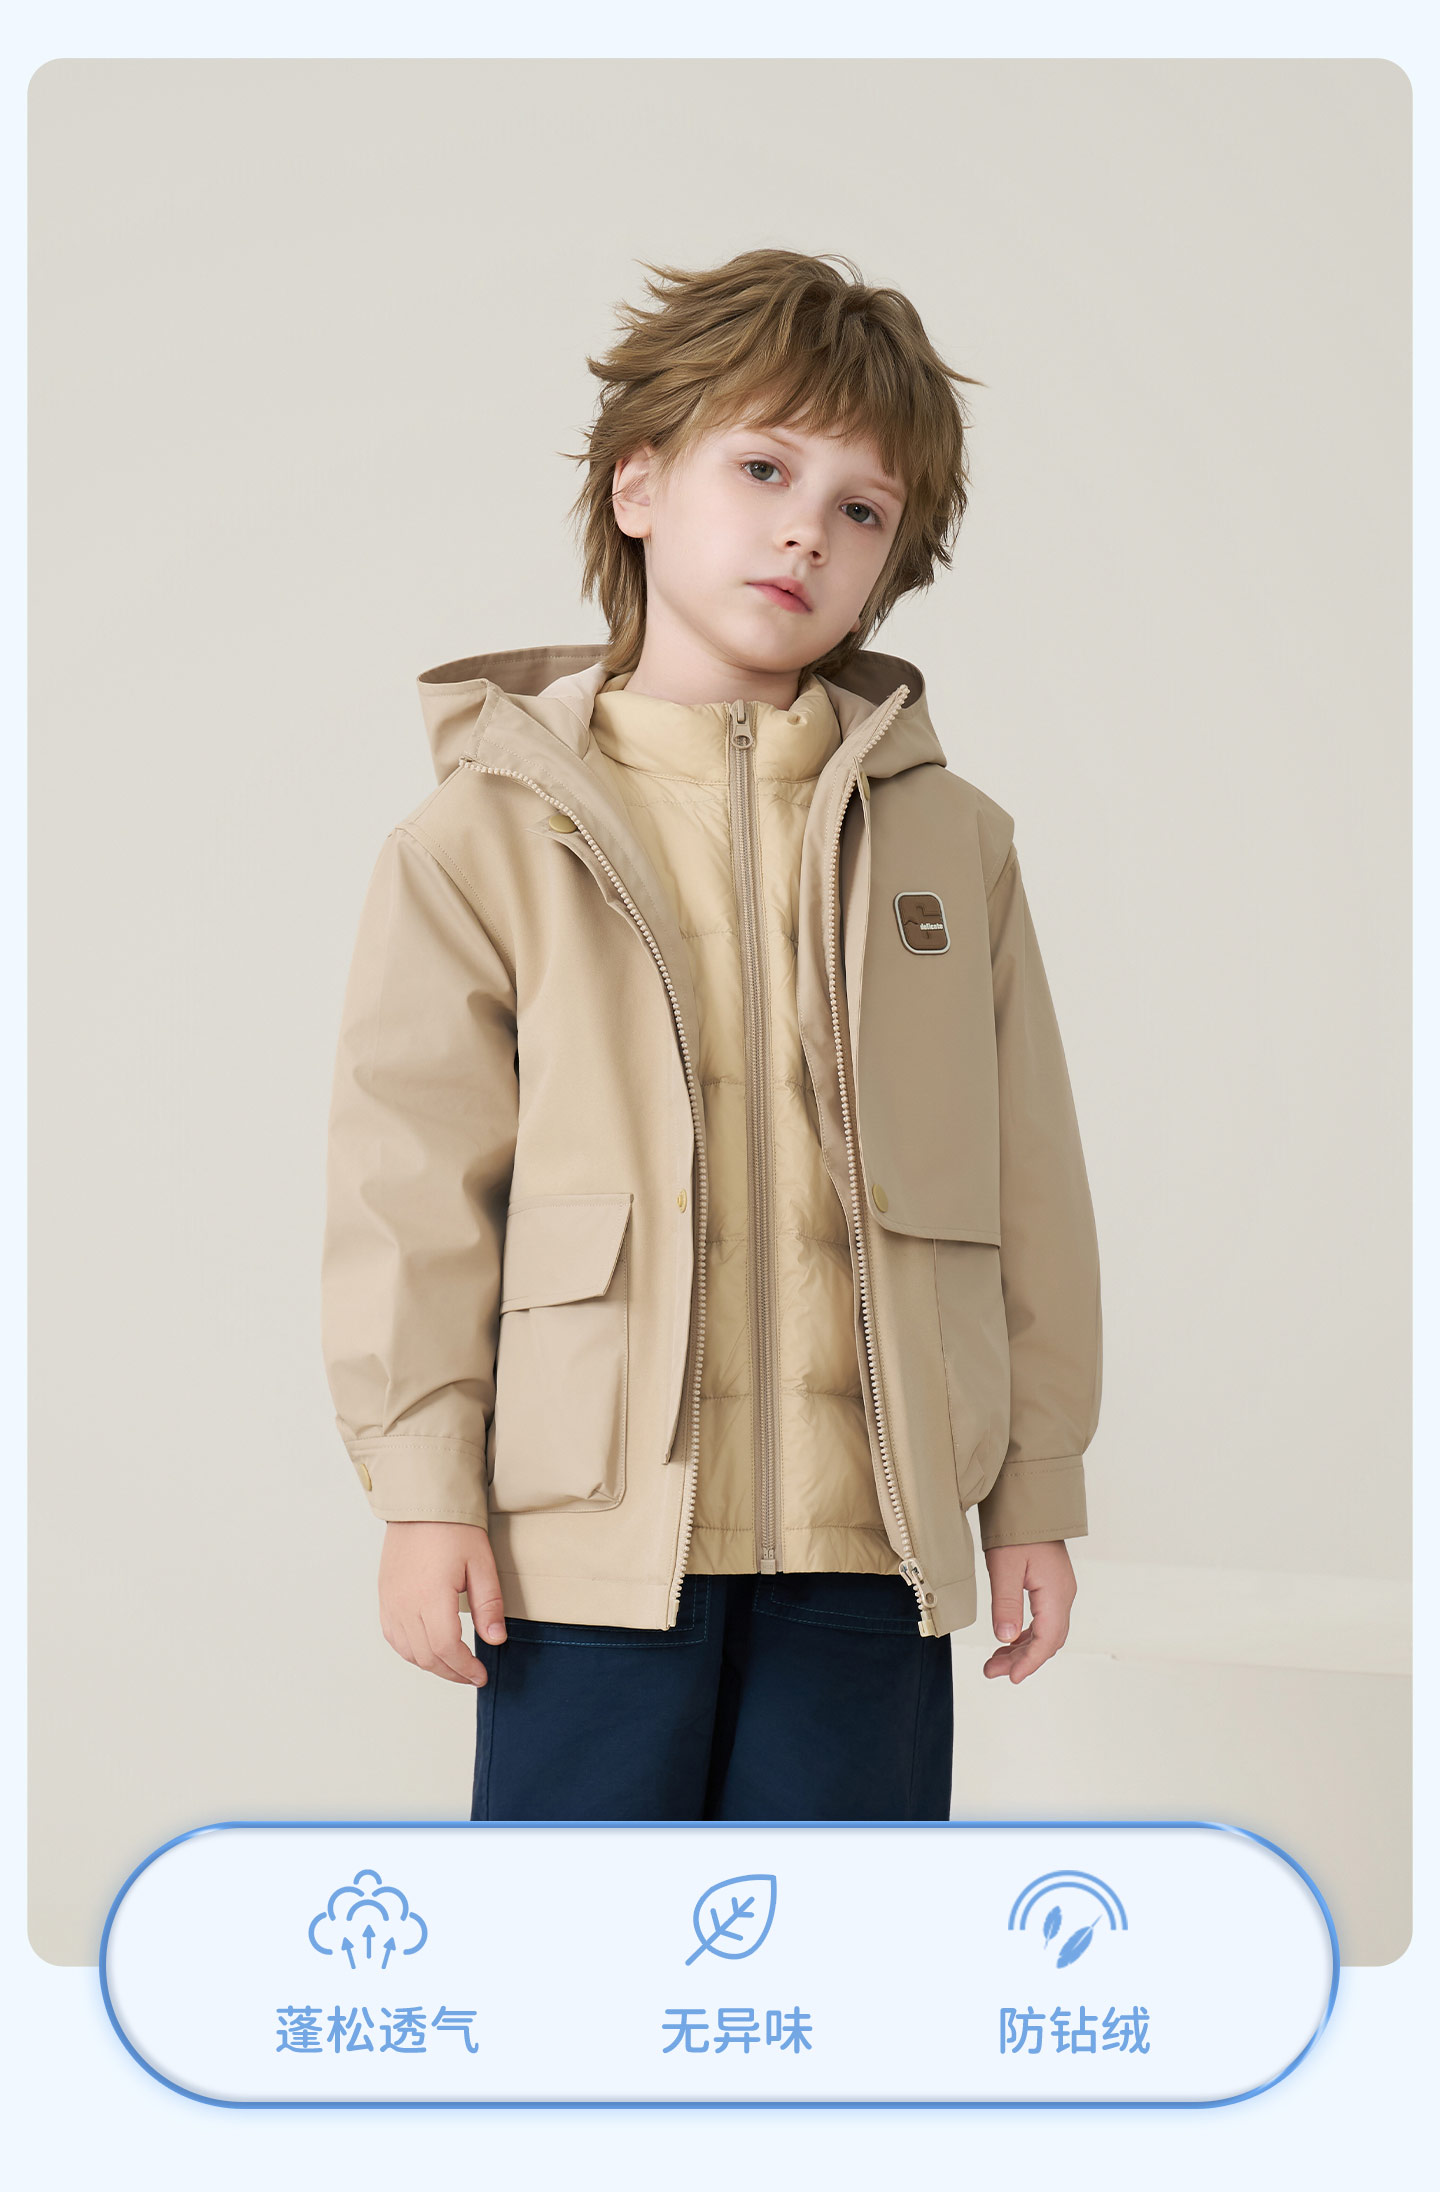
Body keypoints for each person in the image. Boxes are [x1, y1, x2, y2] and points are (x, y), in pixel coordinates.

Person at [321, 248, 1102, 1823]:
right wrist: (423, 1490)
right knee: (574, 1952)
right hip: (590, 1548)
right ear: (638, 488)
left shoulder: (955, 844)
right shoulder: (484, 836)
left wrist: (1035, 1489)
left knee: (834, 1955)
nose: (808, 527)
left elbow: (1031, 1181)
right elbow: (413, 1192)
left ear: (890, 566)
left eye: (862, 509)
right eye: (763, 469)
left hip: (871, 1539)